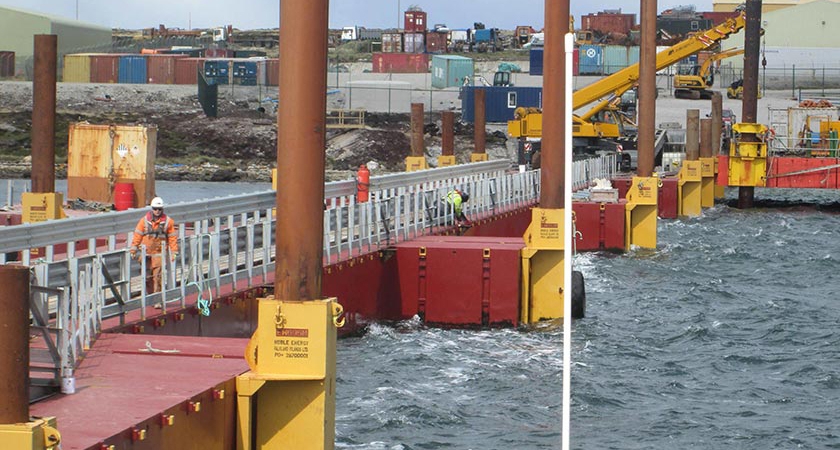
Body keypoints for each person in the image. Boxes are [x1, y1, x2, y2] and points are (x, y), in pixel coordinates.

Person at [129, 197, 178, 293]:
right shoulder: (144, 221)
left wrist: (174, 252)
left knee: (158, 277)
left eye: (159, 209)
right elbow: (137, 236)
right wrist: (133, 250)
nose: (157, 211)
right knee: (147, 277)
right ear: (152, 209)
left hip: (159, 254)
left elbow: (172, 238)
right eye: (155, 209)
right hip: (146, 255)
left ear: (162, 209)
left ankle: (157, 299)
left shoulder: (168, 222)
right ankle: (151, 295)